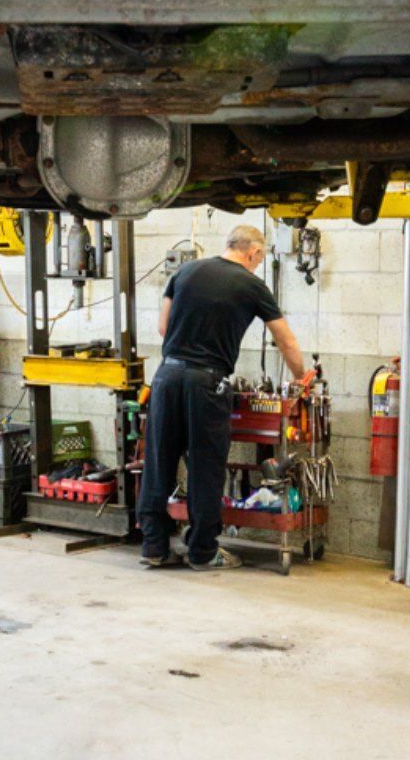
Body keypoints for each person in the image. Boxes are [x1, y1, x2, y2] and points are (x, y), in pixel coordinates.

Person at [138, 225, 306, 570]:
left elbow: (162, 327)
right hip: (206, 382)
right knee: (205, 465)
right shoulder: (251, 284)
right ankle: (202, 552)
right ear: (253, 253)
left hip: (166, 376)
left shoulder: (185, 270)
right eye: (259, 259)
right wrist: (300, 378)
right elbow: (285, 341)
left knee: (159, 461)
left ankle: (153, 547)